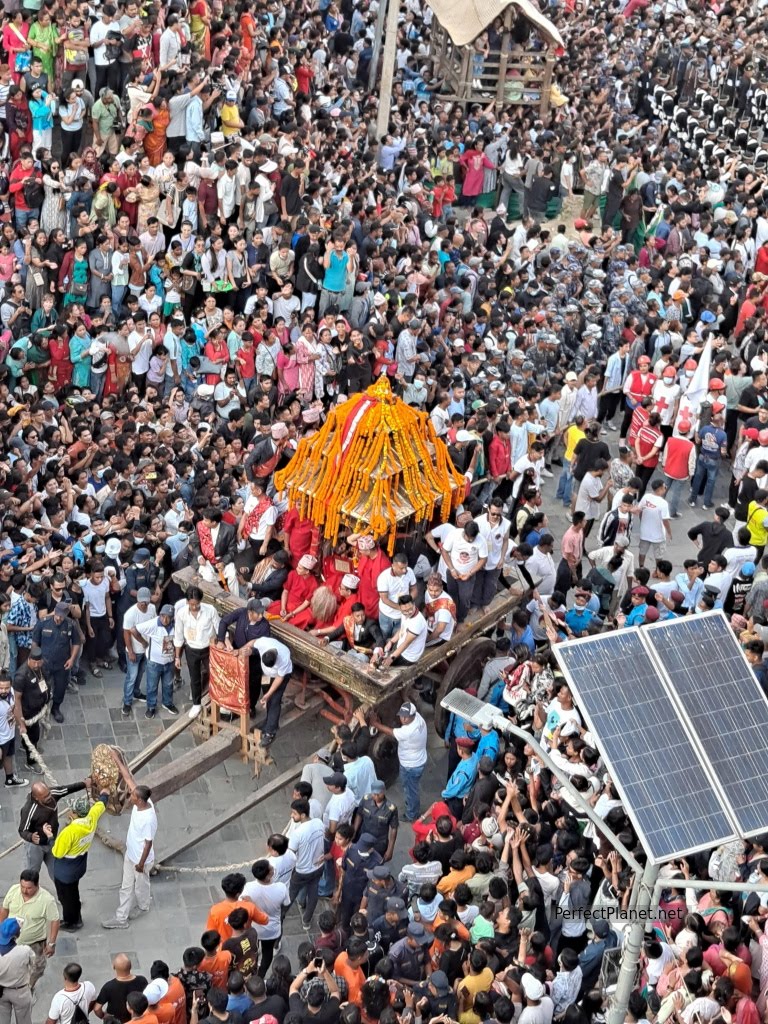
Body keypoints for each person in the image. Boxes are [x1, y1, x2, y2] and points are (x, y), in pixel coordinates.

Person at [51, 789, 110, 930]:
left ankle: (72, 922)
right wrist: (105, 795)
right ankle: (75, 916)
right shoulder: (91, 818)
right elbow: (100, 805)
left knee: (67, 898)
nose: (69, 812)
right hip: (79, 863)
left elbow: (57, 853)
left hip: (66, 871)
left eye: (71, 810)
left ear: (75, 814)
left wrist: (49, 837)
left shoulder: (69, 832)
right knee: (73, 893)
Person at [101, 785, 157, 930]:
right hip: (130, 853)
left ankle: (143, 906)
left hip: (139, 859)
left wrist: (140, 864)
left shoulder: (148, 819)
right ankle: (121, 918)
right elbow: (129, 779)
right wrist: (119, 762)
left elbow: (148, 843)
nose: (130, 796)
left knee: (140, 885)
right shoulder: (144, 801)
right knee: (126, 886)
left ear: (139, 800)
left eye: (132, 795)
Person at [0, 869, 59, 991]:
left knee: (37, 967)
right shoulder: (13, 890)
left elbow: (55, 921)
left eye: (29, 888)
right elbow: (5, 909)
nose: (24, 891)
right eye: (22, 887)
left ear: (37, 885)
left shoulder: (47, 900)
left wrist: (51, 943)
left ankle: (28, 987)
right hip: (11, 940)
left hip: (34, 942)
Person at [367, 702, 428, 822]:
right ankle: (411, 806)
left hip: (411, 766)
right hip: (419, 760)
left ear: (407, 717)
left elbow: (391, 732)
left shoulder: (408, 731)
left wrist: (375, 724)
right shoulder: (418, 718)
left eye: (403, 716)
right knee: (412, 788)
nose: (401, 718)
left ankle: (412, 815)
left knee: (411, 791)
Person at [173, 585, 220, 719]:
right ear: (187, 602)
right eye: (191, 604)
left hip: (208, 648)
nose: (194, 607)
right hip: (191, 649)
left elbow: (218, 626)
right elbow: (178, 636)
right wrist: (177, 657)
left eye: (197, 604)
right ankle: (196, 703)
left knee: (214, 673)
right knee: (195, 677)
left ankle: (217, 698)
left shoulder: (210, 610)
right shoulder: (182, 613)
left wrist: (222, 641)